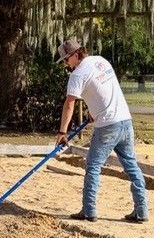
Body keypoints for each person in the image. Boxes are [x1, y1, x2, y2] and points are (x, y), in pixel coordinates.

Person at [55, 39, 148, 223]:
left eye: (66, 60)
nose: (66, 64)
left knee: (93, 166)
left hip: (107, 125)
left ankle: (89, 210)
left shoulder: (77, 75)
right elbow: (103, 90)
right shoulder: (101, 61)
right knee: (131, 165)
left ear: (75, 54)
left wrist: (62, 132)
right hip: (125, 120)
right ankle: (142, 211)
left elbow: (69, 103)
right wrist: (94, 112)